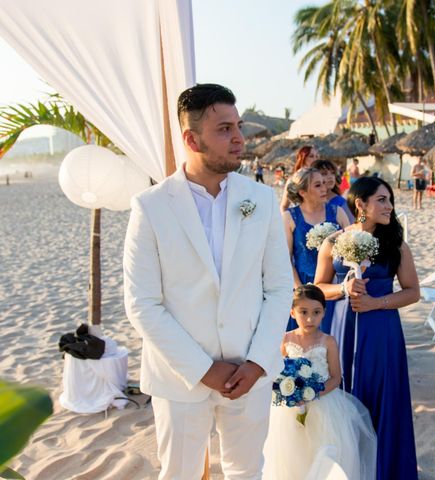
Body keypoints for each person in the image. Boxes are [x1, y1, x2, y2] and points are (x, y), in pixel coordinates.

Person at [123, 84, 293, 480]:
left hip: (249, 372)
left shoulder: (262, 199)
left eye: (238, 126)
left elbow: (279, 287)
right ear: (190, 138)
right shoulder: (150, 207)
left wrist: (257, 362)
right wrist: (202, 368)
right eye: (224, 129)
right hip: (180, 376)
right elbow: (142, 303)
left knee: (247, 471)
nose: (238, 139)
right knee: (179, 474)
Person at [315, 177, 420, 479]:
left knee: (381, 394)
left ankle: (384, 469)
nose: (389, 206)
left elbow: (413, 291)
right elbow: (318, 287)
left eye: (390, 200)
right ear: (361, 204)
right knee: (343, 392)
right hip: (340, 327)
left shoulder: (396, 244)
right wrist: (343, 289)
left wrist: (377, 303)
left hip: (381, 330)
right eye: (382, 200)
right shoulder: (333, 241)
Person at [262, 285, 377, 480]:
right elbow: (277, 372)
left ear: (324, 313)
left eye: (316, 312)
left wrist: (313, 392)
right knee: (291, 453)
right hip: (290, 408)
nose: (309, 318)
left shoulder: (328, 341)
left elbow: (336, 377)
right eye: (303, 312)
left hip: (324, 405)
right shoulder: (286, 339)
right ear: (292, 312)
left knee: (322, 449)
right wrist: (288, 391)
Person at [283, 168, 350, 331]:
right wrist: (300, 290)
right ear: (303, 192)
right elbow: (285, 258)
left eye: (324, 184)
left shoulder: (338, 212)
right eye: (318, 185)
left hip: (334, 284)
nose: (325, 189)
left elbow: (351, 245)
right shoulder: (290, 217)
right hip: (303, 282)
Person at [311, 158, 354, 223]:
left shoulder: (341, 203)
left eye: (332, 173)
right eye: (324, 174)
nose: (330, 177)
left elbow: (351, 227)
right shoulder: (308, 201)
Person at [280, 146, 319, 211]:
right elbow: (284, 206)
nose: (315, 159)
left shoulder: (321, 178)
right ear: (303, 158)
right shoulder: (293, 180)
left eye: (317, 156)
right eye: (311, 156)